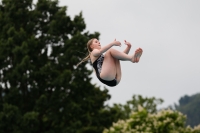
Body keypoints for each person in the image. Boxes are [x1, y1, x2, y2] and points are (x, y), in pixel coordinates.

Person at [77, 38, 143, 87]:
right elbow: (98, 52)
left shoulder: (105, 58)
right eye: (96, 42)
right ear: (91, 46)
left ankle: (132, 58)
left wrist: (128, 47)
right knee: (110, 51)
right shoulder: (93, 52)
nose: (99, 42)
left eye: (98, 41)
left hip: (115, 79)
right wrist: (112, 44)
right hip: (105, 76)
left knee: (114, 55)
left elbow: (120, 56)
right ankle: (131, 58)